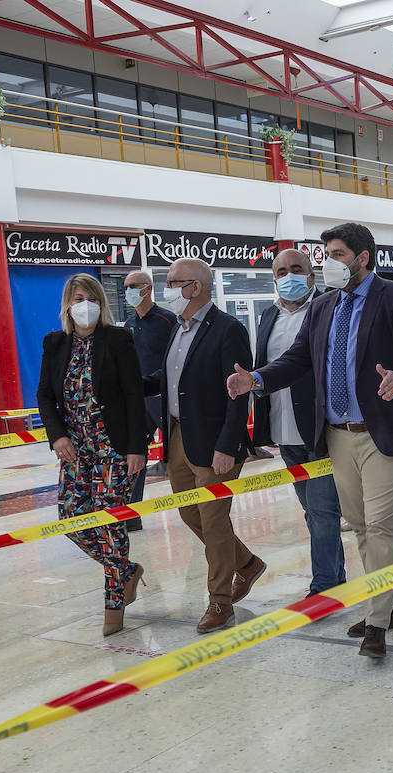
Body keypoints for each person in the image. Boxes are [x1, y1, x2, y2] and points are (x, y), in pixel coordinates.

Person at [227, 222, 393, 660]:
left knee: (383, 526)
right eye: (326, 256)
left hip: (386, 433)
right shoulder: (323, 306)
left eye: (337, 254)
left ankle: (376, 622)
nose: (328, 264)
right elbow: (298, 358)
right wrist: (257, 379)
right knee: (360, 526)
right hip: (338, 436)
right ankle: (389, 603)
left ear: (362, 258)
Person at [148, 257, 262, 634]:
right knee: (190, 514)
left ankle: (220, 601)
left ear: (195, 287)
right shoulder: (177, 329)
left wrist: (227, 444)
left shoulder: (228, 329)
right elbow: (172, 381)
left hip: (215, 443)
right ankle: (247, 563)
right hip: (179, 436)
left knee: (213, 522)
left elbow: (238, 394)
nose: (167, 289)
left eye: (173, 282)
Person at [37, 275, 149, 637]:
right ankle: (126, 572)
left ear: (101, 302)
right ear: (67, 305)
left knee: (109, 523)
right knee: (71, 518)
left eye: (91, 298)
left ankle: (113, 608)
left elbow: (133, 394)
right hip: (75, 450)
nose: (84, 305)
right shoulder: (55, 343)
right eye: (77, 299)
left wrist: (137, 448)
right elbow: (44, 395)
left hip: (112, 449)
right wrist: (57, 436)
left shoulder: (117, 339)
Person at [250, 248, 346, 597]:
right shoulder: (268, 315)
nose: (288, 276)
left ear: (311, 275)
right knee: (312, 511)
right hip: (283, 430)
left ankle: (324, 585)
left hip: (320, 429)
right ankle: (335, 576)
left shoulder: (330, 307)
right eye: (281, 272)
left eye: (296, 269)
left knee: (322, 511)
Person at [122, 269, 177, 532]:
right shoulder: (128, 324)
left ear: (148, 288)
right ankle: (131, 514)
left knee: (179, 452)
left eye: (134, 286)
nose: (129, 291)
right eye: (126, 287)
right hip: (137, 400)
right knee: (134, 452)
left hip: (165, 397)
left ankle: (196, 503)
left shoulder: (168, 320)